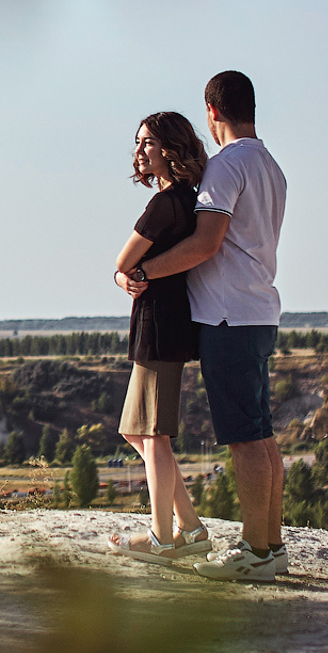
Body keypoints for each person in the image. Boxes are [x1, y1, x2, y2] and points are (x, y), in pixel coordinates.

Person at [124, 70, 288, 583]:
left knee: (244, 440)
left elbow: (206, 243)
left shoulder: (226, 168)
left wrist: (143, 272)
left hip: (227, 317)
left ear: (211, 111)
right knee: (261, 436)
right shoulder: (271, 166)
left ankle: (255, 552)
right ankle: (271, 545)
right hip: (260, 312)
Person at [106, 111, 209, 565]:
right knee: (137, 431)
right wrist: (122, 276)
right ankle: (190, 527)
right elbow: (124, 270)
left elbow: (124, 259)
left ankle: (163, 539)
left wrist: (120, 274)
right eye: (137, 142)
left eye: (147, 142)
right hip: (164, 321)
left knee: (154, 435)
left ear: (169, 147)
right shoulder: (186, 201)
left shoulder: (166, 204)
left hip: (160, 325)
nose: (140, 150)